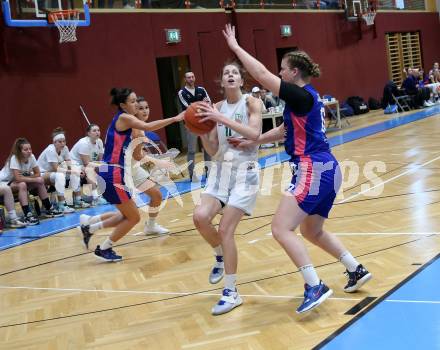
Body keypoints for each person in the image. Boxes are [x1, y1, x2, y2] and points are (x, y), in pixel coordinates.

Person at [222, 24, 371, 314]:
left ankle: (314, 285)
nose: (279, 73)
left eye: (283, 69)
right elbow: (284, 130)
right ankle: (355, 268)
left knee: (280, 228)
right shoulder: (305, 101)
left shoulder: (301, 96)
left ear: (293, 73)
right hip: (328, 167)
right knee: (311, 230)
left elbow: (262, 76)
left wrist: (236, 48)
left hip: (312, 168)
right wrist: (252, 141)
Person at [79, 88, 184, 261]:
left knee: (128, 214)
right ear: (123, 105)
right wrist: (175, 118)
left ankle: (90, 227)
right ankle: (103, 247)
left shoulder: (126, 121)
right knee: (133, 217)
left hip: (115, 171)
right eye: (133, 102)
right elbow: (147, 129)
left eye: (138, 102)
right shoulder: (125, 118)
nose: (137, 105)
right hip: (114, 173)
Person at [193, 61, 262, 315]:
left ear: (241, 81)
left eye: (234, 73)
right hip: (220, 171)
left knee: (225, 229)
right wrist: (199, 128)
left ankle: (232, 292)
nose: (230, 75)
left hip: (245, 172)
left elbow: (254, 134)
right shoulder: (217, 108)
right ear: (221, 83)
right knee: (200, 218)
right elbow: (212, 149)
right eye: (226, 74)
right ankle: (220, 257)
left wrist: (220, 118)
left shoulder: (252, 103)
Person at [130, 96, 174, 235]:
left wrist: (153, 159)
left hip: (133, 168)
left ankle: (151, 226)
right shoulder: (136, 128)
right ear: (135, 110)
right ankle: (90, 224)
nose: (144, 111)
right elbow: (136, 156)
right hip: (123, 169)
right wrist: (159, 162)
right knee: (127, 214)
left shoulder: (139, 127)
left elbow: (136, 151)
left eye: (146, 107)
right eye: (140, 108)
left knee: (156, 195)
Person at [0, 138, 63, 225]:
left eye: (30, 149)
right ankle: (27, 215)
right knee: (22, 184)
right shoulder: (14, 158)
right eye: (26, 149)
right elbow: (18, 178)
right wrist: (31, 178)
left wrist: (30, 178)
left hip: (16, 181)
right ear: (19, 151)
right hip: (4, 182)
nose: (29, 151)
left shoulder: (31, 157)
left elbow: (37, 174)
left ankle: (49, 209)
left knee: (40, 180)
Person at [37, 127, 88, 213]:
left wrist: (77, 171)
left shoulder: (65, 148)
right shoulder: (50, 150)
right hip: (42, 173)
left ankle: (78, 200)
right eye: (60, 142)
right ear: (54, 142)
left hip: (53, 173)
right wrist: (72, 171)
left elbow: (69, 163)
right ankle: (62, 205)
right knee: (60, 175)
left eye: (64, 141)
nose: (63, 143)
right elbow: (56, 168)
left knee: (74, 173)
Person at [177, 71, 212, 181]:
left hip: (204, 122)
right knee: (191, 150)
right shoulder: (181, 92)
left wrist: (201, 105)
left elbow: (209, 103)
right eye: (188, 77)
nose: (191, 79)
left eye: (192, 76)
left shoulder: (201, 89)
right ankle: (192, 175)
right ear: (185, 79)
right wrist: (202, 104)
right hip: (191, 124)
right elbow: (188, 109)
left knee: (207, 148)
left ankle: (209, 172)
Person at [70, 123, 107, 206]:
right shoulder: (84, 143)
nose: (97, 132)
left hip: (89, 164)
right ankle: (96, 198)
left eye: (98, 130)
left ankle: (106, 193)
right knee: (90, 170)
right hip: (75, 165)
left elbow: (100, 160)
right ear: (88, 133)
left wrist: (104, 166)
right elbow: (86, 163)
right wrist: (100, 165)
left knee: (107, 168)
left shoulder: (99, 142)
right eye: (94, 131)